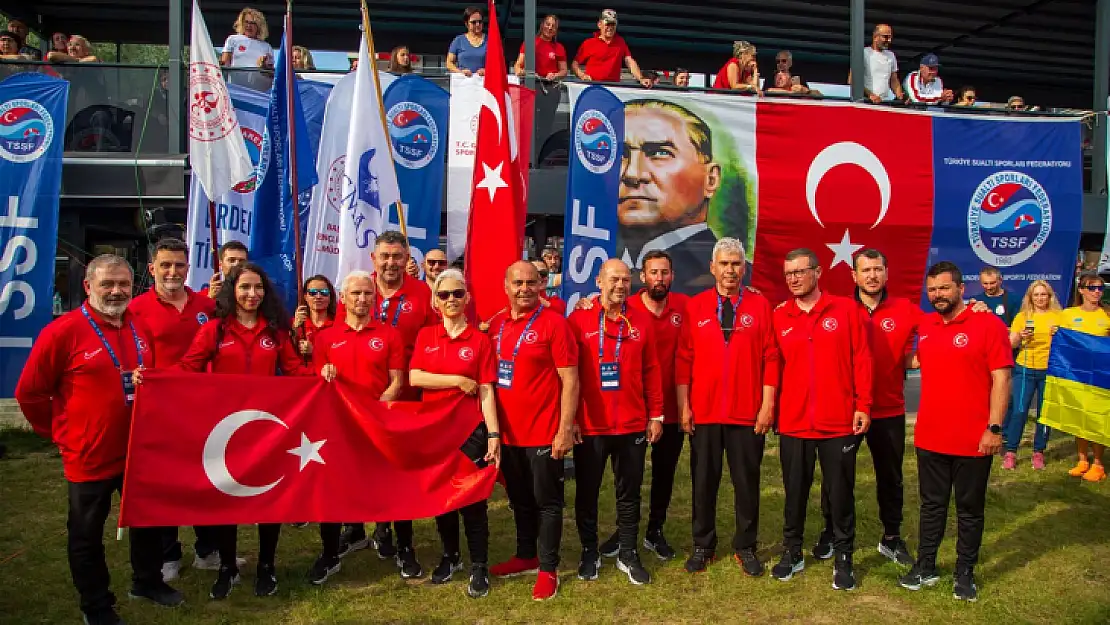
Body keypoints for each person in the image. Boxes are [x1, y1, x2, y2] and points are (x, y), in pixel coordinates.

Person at [15, 254, 184, 625]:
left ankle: (147, 582)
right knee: (87, 534)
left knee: (147, 522)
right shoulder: (63, 331)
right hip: (88, 455)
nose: (117, 291)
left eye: (124, 283)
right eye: (107, 284)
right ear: (88, 286)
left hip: (136, 450)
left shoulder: (138, 325)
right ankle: (97, 605)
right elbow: (29, 392)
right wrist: (58, 432)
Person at [173, 262, 311, 599]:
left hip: (266, 430)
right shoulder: (214, 331)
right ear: (232, 290)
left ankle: (267, 567)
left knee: (268, 497)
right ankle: (227, 568)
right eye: (245, 287)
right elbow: (186, 369)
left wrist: (323, 379)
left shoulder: (276, 333)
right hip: (225, 430)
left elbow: (295, 371)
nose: (252, 294)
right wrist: (152, 379)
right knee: (227, 499)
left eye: (258, 288)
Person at [899, 261, 1012, 602]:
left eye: (945, 288)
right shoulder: (927, 324)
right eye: (932, 290)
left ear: (962, 289)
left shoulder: (987, 324)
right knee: (931, 506)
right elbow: (907, 357)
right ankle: (926, 565)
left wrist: (994, 427)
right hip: (931, 437)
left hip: (974, 439)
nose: (938, 295)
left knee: (969, 508)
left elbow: (1002, 378)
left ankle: (965, 572)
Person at [675, 239, 778, 575]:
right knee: (703, 482)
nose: (730, 270)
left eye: (736, 264)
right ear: (712, 267)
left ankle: (745, 547)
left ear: (743, 268)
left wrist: (767, 406)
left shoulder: (761, 306)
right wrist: (684, 407)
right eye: (724, 264)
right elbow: (684, 358)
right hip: (704, 413)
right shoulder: (696, 306)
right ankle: (703, 546)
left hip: (746, 413)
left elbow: (771, 357)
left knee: (746, 483)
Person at [771, 248, 871, 591]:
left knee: (840, 493)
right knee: (794, 492)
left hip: (837, 421)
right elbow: (773, 366)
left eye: (800, 271)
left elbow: (861, 359)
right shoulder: (779, 315)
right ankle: (792, 551)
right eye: (789, 274)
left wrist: (863, 405)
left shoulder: (845, 309)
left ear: (818, 272)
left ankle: (844, 558)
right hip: (794, 422)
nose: (794, 279)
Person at [338, 231, 436, 575]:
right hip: (358, 403)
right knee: (357, 468)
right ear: (373, 258)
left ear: (406, 257)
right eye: (385, 256)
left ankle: (401, 542)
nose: (391, 262)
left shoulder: (422, 293)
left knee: (399, 473)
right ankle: (358, 529)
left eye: (397, 256)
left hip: (404, 400)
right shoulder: (359, 289)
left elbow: (436, 337)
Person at [126, 239, 223, 581]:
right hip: (161, 410)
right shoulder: (136, 308)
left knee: (207, 476)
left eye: (179, 265)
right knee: (167, 481)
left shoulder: (206, 304)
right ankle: (168, 555)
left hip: (203, 407)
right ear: (152, 268)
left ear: (187, 268)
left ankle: (208, 550)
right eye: (165, 265)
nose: (172, 272)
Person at [487, 261, 579, 601]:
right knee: (519, 499)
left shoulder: (555, 324)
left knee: (547, 502)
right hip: (507, 435)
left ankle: (548, 568)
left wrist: (564, 429)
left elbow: (570, 379)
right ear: (506, 286)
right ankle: (526, 554)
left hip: (543, 432)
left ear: (541, 285)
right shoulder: (495, 324)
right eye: (518, 283)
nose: (524, 288)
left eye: (531, 282)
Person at [567, 259, 663, 585]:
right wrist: (572, 419)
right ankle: (589, 551)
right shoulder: (578, 319)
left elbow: (652, 370)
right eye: (613, 279)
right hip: (591, 426)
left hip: (633, 424)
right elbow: (568, 376)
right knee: (588, 493)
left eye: (625, 280)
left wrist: (656, 415)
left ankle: (627, 551)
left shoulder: (641, 322)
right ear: (598, 281)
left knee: (630, 493)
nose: (620, 285)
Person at [409, 269, 502, 596]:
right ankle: (451, 557)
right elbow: (415, 378)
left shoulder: (480, 340)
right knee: (442, 498)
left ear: (467, 298)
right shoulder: (426, 336)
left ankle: (479, 566)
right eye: (444, 294)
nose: (451, 300)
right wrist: (457, 381)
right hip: (434, 433)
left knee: (472, 499)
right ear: (435, 301)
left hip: (470, 432)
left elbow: (487, 389)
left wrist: (493, 435)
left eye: (457, 293)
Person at [309, 271, 405, 585]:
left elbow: (397, 382)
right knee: (333, 489)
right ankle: (329, 553)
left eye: (367, 294)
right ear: (345, 298)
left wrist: (377, 411)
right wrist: (323, 373)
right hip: (338, 426)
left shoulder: (390, 334)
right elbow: (314, 385)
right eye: (356, 294)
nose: (362, 299)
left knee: (384, 483)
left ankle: (389, 536)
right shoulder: (324, 338)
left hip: (377, 423)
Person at [619, 99, 721, 293]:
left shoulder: (725, 279)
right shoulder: (596, 271)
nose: (632, 174)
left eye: (659, 153)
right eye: (619, 154)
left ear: (711, 179)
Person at [1002, 280, 1062, 470]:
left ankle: (1038, 452)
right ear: (1030, 297)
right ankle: (1011, 451)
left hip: (1050, 370)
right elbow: (1011, 343)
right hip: (1025, 368)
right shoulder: (1022, 316)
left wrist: (1060, 334)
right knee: (1019, 411)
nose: (1039, 298)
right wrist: (1020, 336)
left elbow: (1069, 343)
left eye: (1043, 294)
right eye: (1036, 295)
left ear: (1049, 296)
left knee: (1044, 414)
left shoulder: (1058, 316)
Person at [1062, 272, 1110, 482]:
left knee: (1097, 419)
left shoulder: (1107, 314)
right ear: (1081, 290)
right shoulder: (1068, 314)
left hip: (1101, 376)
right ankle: (1082, 459)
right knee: (1079, 417)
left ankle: (1098, 463)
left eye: (1100, 288)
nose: (1097, 292)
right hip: (1076, 375)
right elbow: (1062, 343)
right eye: (1092, 288)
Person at [571, 9, 653, 88]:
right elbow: (575, 64)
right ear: (599, 24)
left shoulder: (620, 42)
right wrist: (582, 75)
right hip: (593, 87)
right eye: (607, 24)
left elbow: (629, 61)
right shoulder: (589, 43)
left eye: (613, 24)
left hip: (613, 88)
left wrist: (641, 78)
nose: (610, 27)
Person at [849, 23, 903, 102]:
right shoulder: (863, 53)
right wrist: (870, 95)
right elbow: (852, 80)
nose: (889, 40)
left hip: (884, 103)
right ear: (875, 37)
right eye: (885, 37)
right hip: (865, 102)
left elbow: (894, 80)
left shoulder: (891, 55)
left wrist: (899, 95)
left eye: (890, 37)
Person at [292, 274, 337, 362]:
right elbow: (287, 356)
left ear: (330, 297)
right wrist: (294, 330)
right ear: (305, 297)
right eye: (313, 292)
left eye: (324, 292)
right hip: (301, 374)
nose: (318, 296)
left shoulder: (339, 324)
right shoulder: (295, 324)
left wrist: (314, 351)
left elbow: (343, 358)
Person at [514, 14, 568, 81]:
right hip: (530, 83)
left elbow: (564, 70)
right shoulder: (529, 43)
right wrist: (520, 71)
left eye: (553, 26)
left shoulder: (559, 47)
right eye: (548, 24)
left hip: (551, 84)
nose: (550, 28)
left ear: (556, 31)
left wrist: (555, 75)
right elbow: (518, 65)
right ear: (542, 25)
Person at [447, 6, 487, 77]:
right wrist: (460, 72)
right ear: (466, 24)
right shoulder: (458, 40)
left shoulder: (491, 40)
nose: (477, 24)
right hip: (463, 84)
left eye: (480, 22)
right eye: (474, 22)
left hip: (484, 84)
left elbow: (498, 64)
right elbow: (449, 63)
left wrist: (487, 71)